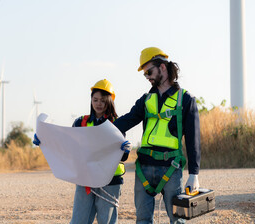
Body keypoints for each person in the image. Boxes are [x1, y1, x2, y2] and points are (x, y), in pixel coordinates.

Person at [113, 47, 201, 224]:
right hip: (144, 168)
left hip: (171, 167)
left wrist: (194, 174)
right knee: (143, 220)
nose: (147, 77)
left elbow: (193, 140)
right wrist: (96, 131)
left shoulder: (185, 100)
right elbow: (125, 121)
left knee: (177, 220)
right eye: (145, 74)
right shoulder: (146, 100)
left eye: (149, 71)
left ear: (162, 67)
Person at [33, 79, 131, 224]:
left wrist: (125, 150)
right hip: (85, 180)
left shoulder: (117, 123)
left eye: (103, 101)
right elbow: (67, 145)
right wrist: (44, 140)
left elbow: (122, 156)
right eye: (95, 99)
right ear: (91, 100)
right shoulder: (81, 123)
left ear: (109, 101)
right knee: (79, 221)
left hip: (110, 181)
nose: (98, 103)